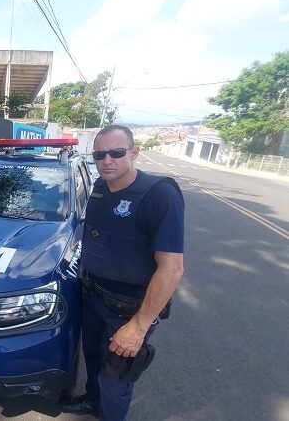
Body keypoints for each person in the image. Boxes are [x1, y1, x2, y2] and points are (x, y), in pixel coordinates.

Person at [61, 125, 184, 420]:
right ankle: (92, 402)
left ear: (133, 152)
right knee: (92, 358)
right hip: (94, 297)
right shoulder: (101, 188)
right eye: (99, 154)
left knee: (115, 379)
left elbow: (172, 269)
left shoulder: (159, 195)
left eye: (116, 153)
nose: (107, 160)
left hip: (129, 309)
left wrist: (138, 327)